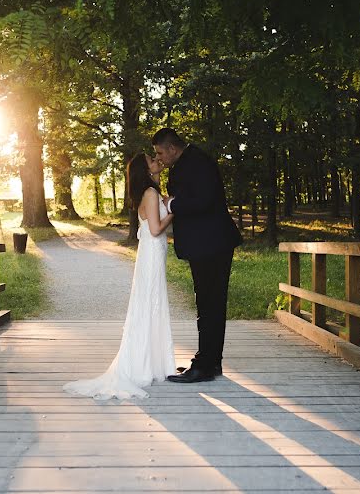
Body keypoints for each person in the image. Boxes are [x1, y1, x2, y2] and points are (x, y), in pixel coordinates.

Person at [63, 153, 176, 399]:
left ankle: (154, 362)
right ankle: (149, 364)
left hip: (151, 253)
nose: (157, 161)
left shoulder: (149, 192)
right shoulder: (150, 193)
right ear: (145, 171)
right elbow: (156, 229)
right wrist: (174, 211)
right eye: (151, 161)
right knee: (151, 303)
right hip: (153, 252)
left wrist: (168, 203)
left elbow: (155, 217)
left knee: (150, 303)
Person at [152, 128, 242, 383]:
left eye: (160, 152)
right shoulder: (187, 162)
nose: (159, 158)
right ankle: (210, 363)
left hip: (212, 244)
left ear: (172, 148)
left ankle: (205, 365)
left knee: (210, 304)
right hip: (207, 244)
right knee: (208, 304)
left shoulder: (197, 161)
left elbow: (201, 200)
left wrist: (171, 204)